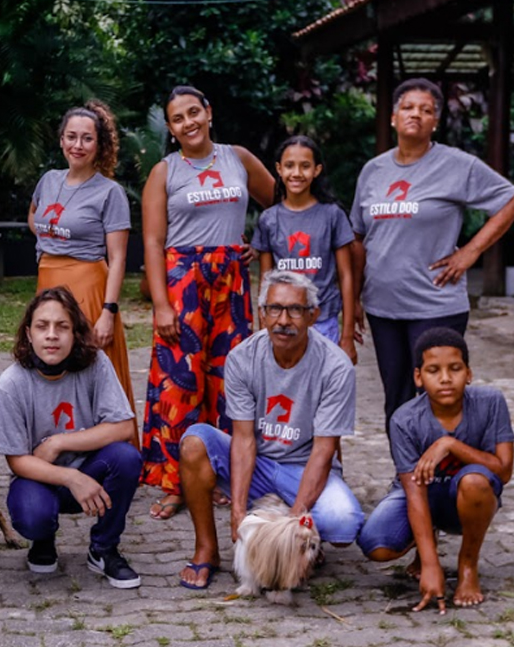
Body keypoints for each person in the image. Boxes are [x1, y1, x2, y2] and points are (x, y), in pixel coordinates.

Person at [177, 270, 364, 589]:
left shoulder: (335, 366)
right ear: (261, 313)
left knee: (344, 524)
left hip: (302, 466)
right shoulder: (242, 358)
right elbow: (244, 438)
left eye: (295, 310)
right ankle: (207, 549)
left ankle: (304, 539)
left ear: (313, 315)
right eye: (274, 309)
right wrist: (237, 511)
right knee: (194, 442)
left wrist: (293, 524)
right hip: (260, 463)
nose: (283, 320)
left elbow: (324, 449)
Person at [351, 77, 514, 436]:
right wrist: (355, 298)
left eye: (426, 110)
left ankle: (445, 476)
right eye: (408, 108)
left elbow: (509, 200)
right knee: (397, 398)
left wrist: (471, 252)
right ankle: (406, 478)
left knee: (439, 396)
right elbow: (359, 237)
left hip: (436, 304)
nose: (416, 115)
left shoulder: (457, 165)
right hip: (383, 306)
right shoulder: (373, 170)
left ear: (435, 121)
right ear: (393, 117)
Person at [141, 85, 275, 519]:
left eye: (194, 112)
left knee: (229, 381)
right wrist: (161, 304)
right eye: (178, 118)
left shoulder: (237, 158)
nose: (188, 123)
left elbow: (281, 203)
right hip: (184, 284)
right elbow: (153, 240)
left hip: (231, 283)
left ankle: (218, 474)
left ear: (209, 111)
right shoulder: (164, 172)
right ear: (172, 128)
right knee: (179, 383)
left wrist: (260, 242)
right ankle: (178, 482)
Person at [0, 286, 142, 589]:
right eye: (42, 326)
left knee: (126, 458)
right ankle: (43, 541)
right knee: (33, 516)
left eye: (62, 326)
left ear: (75, 333)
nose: (52, 335)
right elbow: (17, 461)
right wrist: (70, 478)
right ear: (28, 334)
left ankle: (104, 548)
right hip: (39, 478)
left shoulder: (96, 364)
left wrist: (59, 442)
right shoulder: (11, 383)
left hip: (90, 472)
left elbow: (124, 427)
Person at [358, 327, 513, 614]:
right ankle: (424, 546)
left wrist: (450, 444)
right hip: (421, 495)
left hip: (467, 498)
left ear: (468, 373)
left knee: (476, 481)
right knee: (377, 545)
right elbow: (414, 491)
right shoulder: (404, 419)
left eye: (455, 369)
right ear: (418, 376)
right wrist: (431, 564)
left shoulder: (490, 403)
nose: (445, 378)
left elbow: (503, 471)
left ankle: (468, 564)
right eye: (433, 370)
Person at [27, 100, 137, 445]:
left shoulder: (110, 192)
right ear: (61, 140)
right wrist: (51, 236)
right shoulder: (48, 180)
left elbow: (118, 258)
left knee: (89, 368)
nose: (78, 145)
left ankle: (105, 450)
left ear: (99, 145)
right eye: (71, 137)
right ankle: (56, 441)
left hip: (87, 286)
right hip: (47, 282)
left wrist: (108, 311)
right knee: (50, 366)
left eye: (87, 138)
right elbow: (35, 217)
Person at [252, 135, 356, 363]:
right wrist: (264, 330)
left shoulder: (332, 215)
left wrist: (347, 335)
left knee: (322, 390)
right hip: (282, 322)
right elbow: (266, 281)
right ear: (279, 169)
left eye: (305, 166)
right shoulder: (269, 219)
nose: (297, 173)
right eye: (289, 165)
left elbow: (346, 275)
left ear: (317, 170)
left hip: (323, 320)